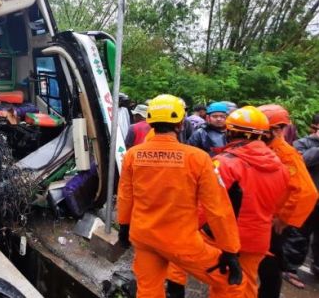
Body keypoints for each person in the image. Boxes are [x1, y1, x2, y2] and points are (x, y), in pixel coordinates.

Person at [117, 94, 243, 298]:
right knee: (232, 281)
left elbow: (125, 195)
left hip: (144, 236)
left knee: (148, 291)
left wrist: (123, 226)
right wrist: (230, 249)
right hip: (181, 242)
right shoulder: (198, 158)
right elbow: (217, 207)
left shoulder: (133, 155)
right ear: (181, 123)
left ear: (150, 120)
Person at [169, 106, 291, 298]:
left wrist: (185, 228)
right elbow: (280, 202)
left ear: (231, 131)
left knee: (223, 284)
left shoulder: (224, 163)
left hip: (225, 239)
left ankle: (174, 290)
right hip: (259, 238)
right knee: (247, 283)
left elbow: (205, 205)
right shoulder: (280, 165)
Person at [257, 104, 318, 297]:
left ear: (276, 129)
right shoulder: (262, 148)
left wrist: (283, 219)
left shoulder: (286, 154)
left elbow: (306, 192)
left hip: (272, 221)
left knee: (270, 265)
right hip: (257, 216)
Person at [292, 113, 319, 280]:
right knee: (299, 235)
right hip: (307, 198)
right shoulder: (303, 143)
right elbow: (298, 162)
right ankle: (290, 269)